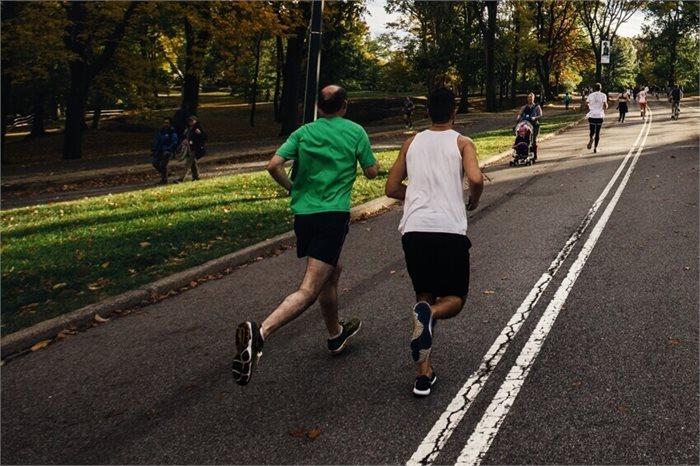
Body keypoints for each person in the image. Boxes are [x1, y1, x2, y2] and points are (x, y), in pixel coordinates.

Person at [231, 85, 379, 386]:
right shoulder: (354, 131)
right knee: (310, 288)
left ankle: (335, 335)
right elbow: (372, 173)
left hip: (304, 215)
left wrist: (292, 188)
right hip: (332, 216)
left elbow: (273, 165)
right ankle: (260, 334)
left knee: (332, 271)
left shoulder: (303, 133)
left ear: (318, 106)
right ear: (345, 105)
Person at [385, 88, 484, 397]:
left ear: (428, 112)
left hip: (414, 230)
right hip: (448, 229)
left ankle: (423, 374)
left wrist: (415, 197)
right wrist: (473, 199)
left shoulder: (411, 142)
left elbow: (391, 187)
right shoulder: (462, 143)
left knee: (423, 297)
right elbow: (476, 179)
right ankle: (433, 317)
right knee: (454, 298)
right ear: (454, 113)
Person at [150, 117, 178, 185]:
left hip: (167, 151)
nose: (165, 124)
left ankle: (164, 180)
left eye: (167, 123)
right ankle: (166, 173)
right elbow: (157, 141)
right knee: (155, 163)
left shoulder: (172, 132)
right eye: (164, 122)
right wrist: (154, 149)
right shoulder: (161, 131)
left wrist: (169, 149)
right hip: (159, 150)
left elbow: (174, 142)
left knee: (163, 164)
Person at [179, 115, 207, 182]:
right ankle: (196, 176)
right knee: (192, 163)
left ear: (195, 121)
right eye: (189, 121)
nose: (190, 122)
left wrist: (200, 134)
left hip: (196, 148)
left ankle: (182, 178)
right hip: (189, 148)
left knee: (188, 162)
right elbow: (184, 137)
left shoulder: (198, 128)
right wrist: (184, 139)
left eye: (192, 121)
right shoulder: (188, 129)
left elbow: (204, 138)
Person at [516, 93, 542, 160]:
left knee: (533, 140)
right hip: (526, 125)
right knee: (524, 139)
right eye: (529, 97)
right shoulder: (524, 107)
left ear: (534, 98)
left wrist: (535, 118)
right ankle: (523, 153)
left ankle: (534, 154)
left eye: (531, 97)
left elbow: (540, 115)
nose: (530, 99)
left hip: (534, 125)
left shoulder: (537, 107)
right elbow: (520, 114)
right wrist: (518, 117)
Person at [586, 82, 608, 153]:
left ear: (594, 88)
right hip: (599, 115)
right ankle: (595, 148)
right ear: (600, 88)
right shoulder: (603, 95)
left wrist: (589, 108)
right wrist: (606, 106)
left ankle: (591, 138)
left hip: (592, 115)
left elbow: (587, 104)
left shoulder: (590, 95)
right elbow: (605, 105)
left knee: (592, 130)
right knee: (598, 132)